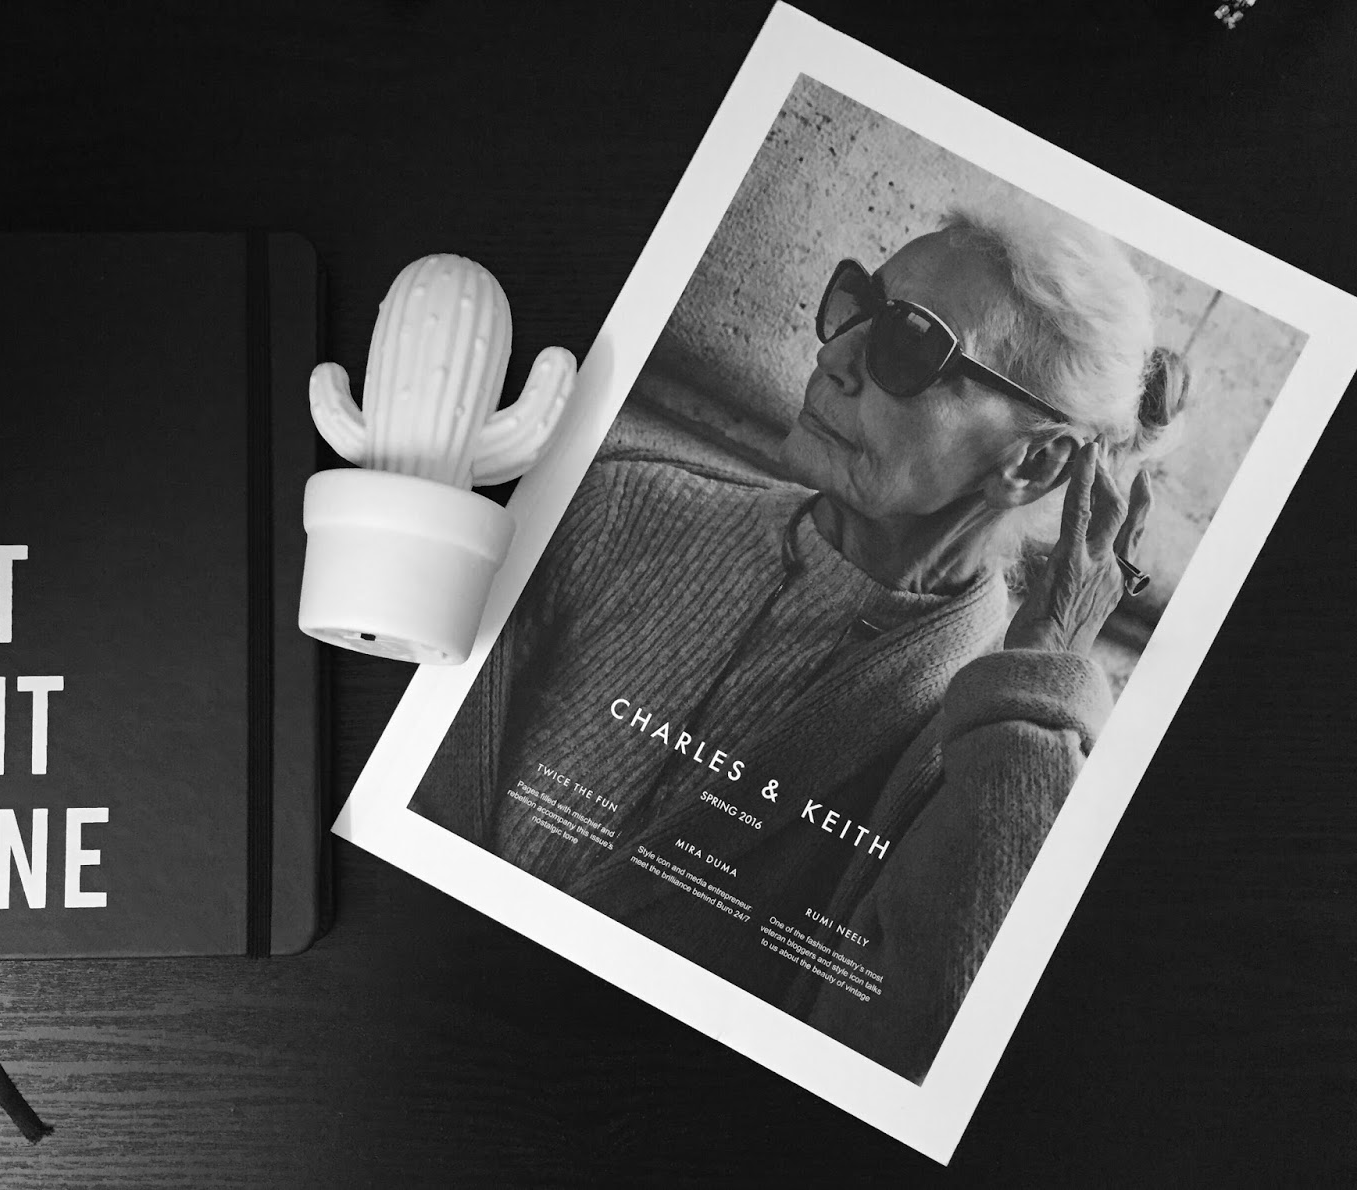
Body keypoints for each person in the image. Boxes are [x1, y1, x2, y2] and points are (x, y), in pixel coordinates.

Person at [411, 203, 1191, 1082]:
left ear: (1034, 464)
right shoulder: (619, 505)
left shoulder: (991, 754)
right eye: (856, 305)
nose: (833, 356)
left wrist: (1041, 679)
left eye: (909, 344)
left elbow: (905, 1045)